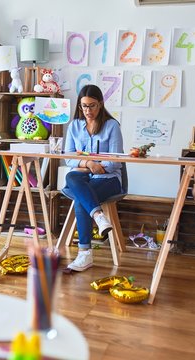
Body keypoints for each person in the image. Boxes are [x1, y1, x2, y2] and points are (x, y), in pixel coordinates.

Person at [63, 84, 124, 272]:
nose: (87, 111)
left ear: (100, 104)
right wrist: (89, 164)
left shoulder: (112, 126)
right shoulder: (74, 125)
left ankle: (85, 254)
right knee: (71, 176)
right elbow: (68, 158)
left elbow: (115, 162)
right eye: (84, 106)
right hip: (85, 177)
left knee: (82, 200)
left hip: (110, 180)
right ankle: (98, 216)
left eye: (92, 106)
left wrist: (97, 167)